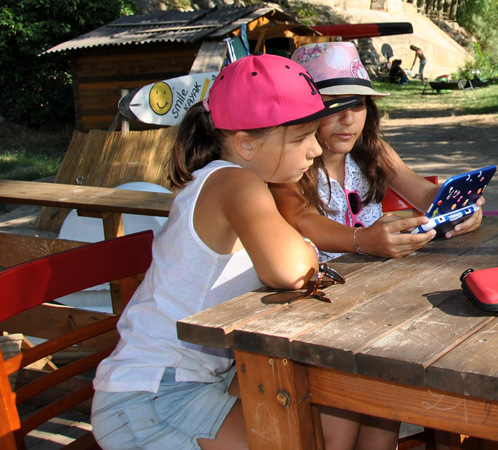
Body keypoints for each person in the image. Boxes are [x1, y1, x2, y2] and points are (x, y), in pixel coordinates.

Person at [90, 54, 401, 450]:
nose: (314, 149)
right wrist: (307, 251)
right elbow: (291, 270)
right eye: (301, 138)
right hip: (153, 395)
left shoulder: (237, 181)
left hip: (208, 376)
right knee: (314, 429)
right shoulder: (235, 183)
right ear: (246, 144)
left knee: (345, 403)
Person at [272, 42, 484, 260]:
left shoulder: (374, 150)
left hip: (378, 274)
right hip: (319, 276)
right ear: (301, 112)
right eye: (334, 105)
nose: (348, 119)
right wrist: (362, 240)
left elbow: (423, 192)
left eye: (357, 104)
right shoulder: (286, 164)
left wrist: (460, 206)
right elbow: (301, 219)